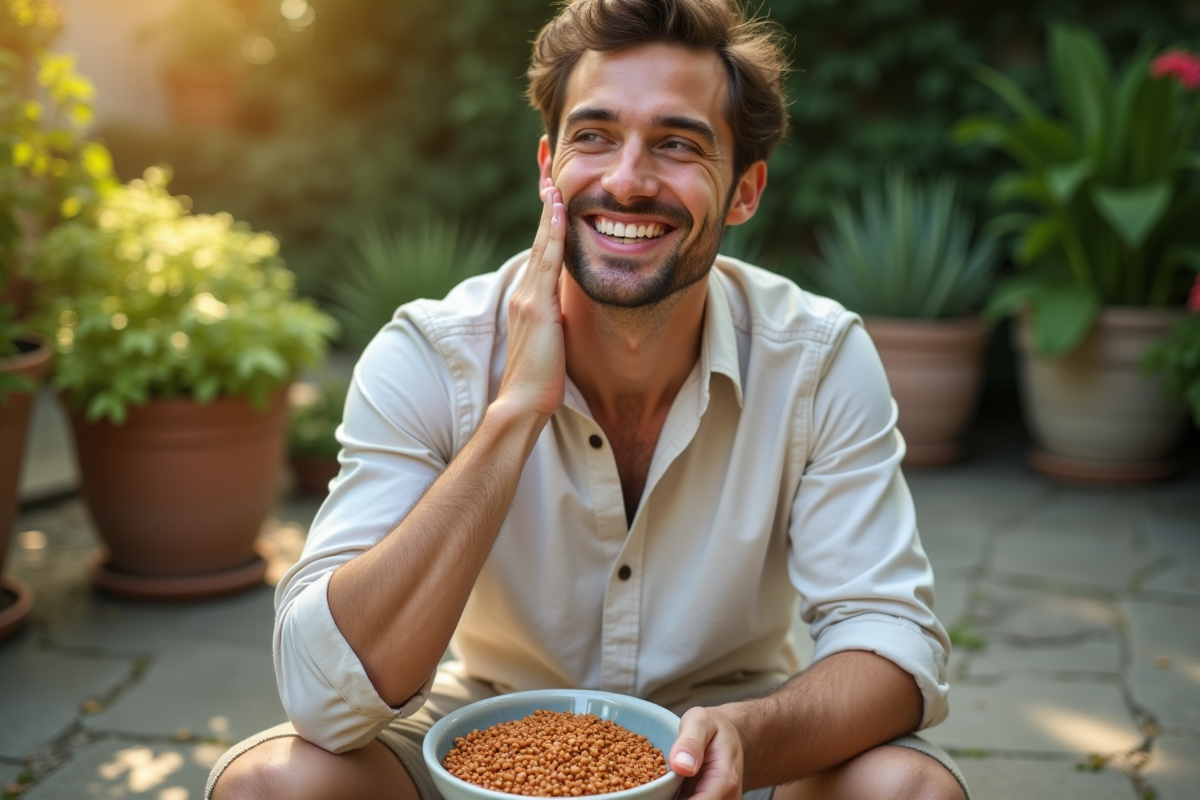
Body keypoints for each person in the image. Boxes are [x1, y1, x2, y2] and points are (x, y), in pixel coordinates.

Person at [208, 1, 968, 798]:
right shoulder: (433, 353)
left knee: (906, 790)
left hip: (730, 742)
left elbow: (895, 641)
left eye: (677, 144)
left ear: (745, 191)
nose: (627, 180)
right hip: (485, 725)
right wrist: (514, 414)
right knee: (272, 788)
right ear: (549, 167)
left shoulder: (817, 359)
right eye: (595, 136)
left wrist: (750, 737)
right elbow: (321, 695)